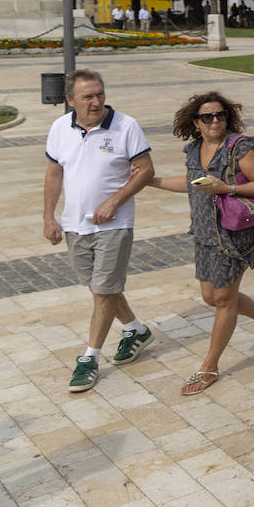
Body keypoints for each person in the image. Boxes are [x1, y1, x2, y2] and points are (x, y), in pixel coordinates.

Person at [150, 92, 254, 394]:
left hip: (232, 235)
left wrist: (227, 188)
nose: (215, 121)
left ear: (227, 117)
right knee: (212, 297)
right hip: (204, 234)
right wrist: (151, 181)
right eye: (207, 117)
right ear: (196, 122)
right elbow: (189, 184)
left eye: (220, 115)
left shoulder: (240, 147)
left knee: (223, 300)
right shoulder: (194, 150)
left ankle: (209, 366)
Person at [42, 69, 156, 393]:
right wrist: (49, 217)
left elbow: (146, 170)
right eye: (87, 97)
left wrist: (115, 202)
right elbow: (53, 175)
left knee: (104, 290)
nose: (96, 102)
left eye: (100, 94)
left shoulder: (126, 126)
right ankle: (136, 329)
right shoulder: (59, 129)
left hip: (114, 223)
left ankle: (90, 358)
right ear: (70, 101)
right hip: (74, 224)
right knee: (99, 288)